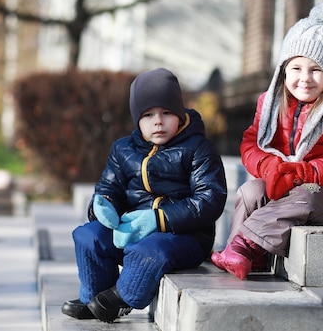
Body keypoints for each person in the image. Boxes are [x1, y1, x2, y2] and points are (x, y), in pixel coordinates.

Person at [211, 2, 323, 280]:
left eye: (316, 70)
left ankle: (244, 246)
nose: (305, 79)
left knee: (305, 195)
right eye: (296, 68)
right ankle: (248, 257)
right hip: (288, 183)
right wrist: (270, 167)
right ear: (284, 70)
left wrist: (306, 172)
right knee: (251, 191)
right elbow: (251, 142)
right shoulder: (271, 102)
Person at [62, 67, 228, 323]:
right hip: (133, 229)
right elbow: (109, 187)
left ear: (180, 114)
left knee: (149, 249)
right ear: (137, 120)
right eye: (148, 115)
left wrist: (159, 219)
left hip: (184, 236)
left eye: (167, 113)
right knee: (88, 235)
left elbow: (209, 199)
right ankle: (94, 297)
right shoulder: (123, 149)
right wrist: (103, 204)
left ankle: (121, 298)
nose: (158, 121)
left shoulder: (198, 148)